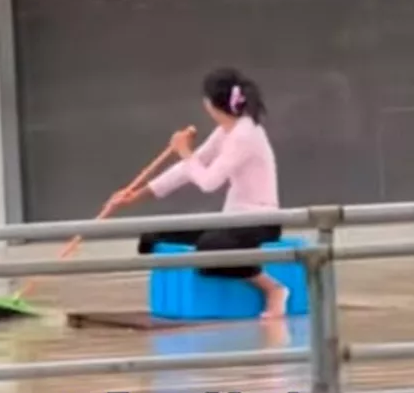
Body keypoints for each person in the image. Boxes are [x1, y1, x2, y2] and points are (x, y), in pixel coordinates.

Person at [109, 68, 289, 319]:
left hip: (260, 221)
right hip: (232, 220)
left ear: (210, 103)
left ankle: (273, 289)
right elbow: (189, 168)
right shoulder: (226, 130)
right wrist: (138, 195)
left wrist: (184, 150)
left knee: (209, 248)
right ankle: (179, 298)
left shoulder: (245, 134)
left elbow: (208, 181)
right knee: (154, 237)